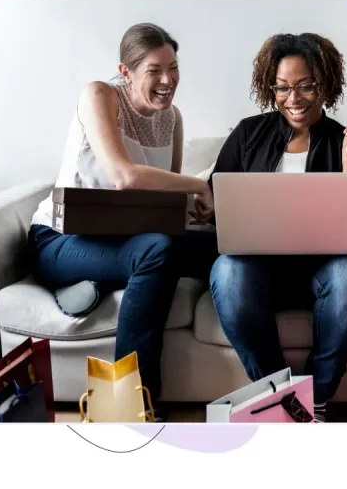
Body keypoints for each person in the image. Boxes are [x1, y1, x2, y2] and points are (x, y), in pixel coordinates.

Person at [27, 23, 218, 418]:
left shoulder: (173, 118)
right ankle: (125, 406)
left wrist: (196, 207)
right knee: (158, 251)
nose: (168, 80)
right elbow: (124, 177)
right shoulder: (99, 95)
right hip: (61, 241)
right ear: (126, 71)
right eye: (154, 70)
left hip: (122, 241)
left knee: (224, 242)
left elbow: (167, 201)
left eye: (174, 67)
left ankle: (99, 281)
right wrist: (197, 187)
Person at [207, 32, 347, 423]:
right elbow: (219, 198)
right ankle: (280, 397)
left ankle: (314, 400)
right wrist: (209, 205)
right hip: (259, 265)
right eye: (282, 88)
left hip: (324, 267)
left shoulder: (343, 140)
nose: (293, 98)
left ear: (326, 85)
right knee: (228, 272)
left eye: (305, 86)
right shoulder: (248, 133)